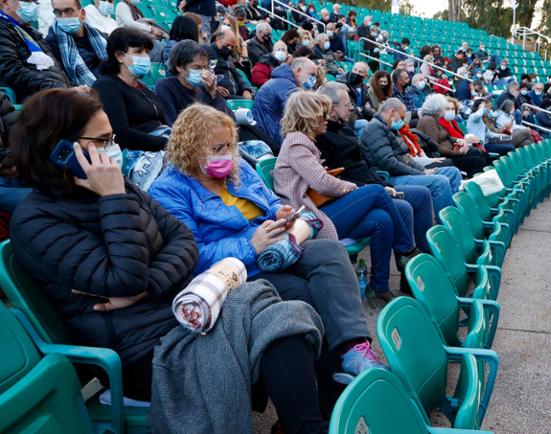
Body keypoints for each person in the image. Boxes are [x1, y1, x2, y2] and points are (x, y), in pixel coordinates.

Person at [9, 88, 330, 434]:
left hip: (183, 306)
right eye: (102, 141)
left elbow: (183, 244)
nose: (112, 150)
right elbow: (125, 278)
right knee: (280, 316)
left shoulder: (124, 189)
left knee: (284, 314)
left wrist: (145, 287)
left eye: (112, 138)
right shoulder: (36, 221)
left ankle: (306, 424)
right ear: (59, 150)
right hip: (143, 348)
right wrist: (112, 198)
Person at [149, 103, 385, 386]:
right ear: (189, 148)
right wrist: (251, 245)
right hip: (236, 269)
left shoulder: (237, 168)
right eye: (216, 148)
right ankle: (324, 388)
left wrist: (279, 212)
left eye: (229, 145)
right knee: (305, 292)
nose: (226, 154)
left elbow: (271, 199)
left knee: (331, 251)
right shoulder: (168, 190)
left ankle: (354, 349)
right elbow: (192, 255)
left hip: (276, 245)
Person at [272, 91, 418, 299]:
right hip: (308, 216)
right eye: (322, 115)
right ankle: (408, 250)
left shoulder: (304, 142)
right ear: (308, 118)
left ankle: (380, 286)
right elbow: (321, 183)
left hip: (319, 207)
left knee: (382, 219)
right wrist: (354, 188)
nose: (327, 118)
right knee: (376, 191)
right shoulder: (296, 143)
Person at [317, 82, 433, 252]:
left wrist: (382, 184)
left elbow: (366, 166)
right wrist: (377, 188)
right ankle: (408, 256)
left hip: (375, 184)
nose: (352, 108)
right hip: (358, 193)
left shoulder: (346, 130)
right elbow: (334, 179)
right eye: (347, 104)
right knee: (402, 208)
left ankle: (424, 253)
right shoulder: (323, 137)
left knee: (423, 194)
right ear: (331, 108)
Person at [361, 98, 461, 220]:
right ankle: (446, 224)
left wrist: (423, 170)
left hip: (402, 172)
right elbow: (389, 163)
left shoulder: (389, 128)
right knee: (440, 182)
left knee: (453, 172)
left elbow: (405, 158)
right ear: (392, 112)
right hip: (391, 177)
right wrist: (421, 173)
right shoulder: (375, 128)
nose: (403, 122)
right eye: (402, 117)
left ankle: (455, 217)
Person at [93, 28, 167, 152]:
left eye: (147, 52)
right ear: (120, 56)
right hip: (138, 154)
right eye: (138, 52)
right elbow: (121, 133)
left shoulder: (142, 87)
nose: (145, 57)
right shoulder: (106, 87)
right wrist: (167, 144)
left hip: (161, 144)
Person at [0, 0, 69, 100]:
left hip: (57, 93)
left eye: (35, 1)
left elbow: (57, 70)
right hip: (38, 100)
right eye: (27, 1)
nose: (33, 5)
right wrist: (58, 88)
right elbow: (10, 71)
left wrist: (71, 88)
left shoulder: (30, 31)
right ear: (5, 3)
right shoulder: (2, 29)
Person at [155, 40, 233, 125]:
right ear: (179, 67)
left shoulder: (205, 88)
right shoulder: (165, 87)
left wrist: (214, 94)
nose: (203, 72)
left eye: (205, 67)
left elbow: (228, 120)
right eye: (197, 67)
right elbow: (173, 124)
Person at [253, 57, 317, 151]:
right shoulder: (285, 86)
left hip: (270, 132)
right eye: (311, 75)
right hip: (273, 137)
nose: (313, 79)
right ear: (298, 71)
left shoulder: (282, 81)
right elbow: (301, 113)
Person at [417, 93, 490, 176]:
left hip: (451, 151)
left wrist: (459, 140)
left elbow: (447, 136)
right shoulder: (428, 121)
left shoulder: (434, 119)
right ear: (438, 108)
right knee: (478, 161)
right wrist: (458, 153)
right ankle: (469, 183)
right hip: (443, 157)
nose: (445, 111)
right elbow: (436, 147)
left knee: (481, 154)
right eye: (445, 108)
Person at [45, 0, 108, 86]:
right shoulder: (52, 44)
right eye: (58, 12)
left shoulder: (98, 36)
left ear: (82, 14)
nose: (63, 17)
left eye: (68, 11)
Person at [208, 28, 252, 100]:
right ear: (217, 39)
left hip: (236, 94)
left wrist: (246, 89)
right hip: (222, 97)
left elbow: (237, 75)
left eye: (232, 46)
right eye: (227, 45)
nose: (229, 48)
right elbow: (203, 75)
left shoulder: (227, 56)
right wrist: (214, 88)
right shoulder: (206, 52)